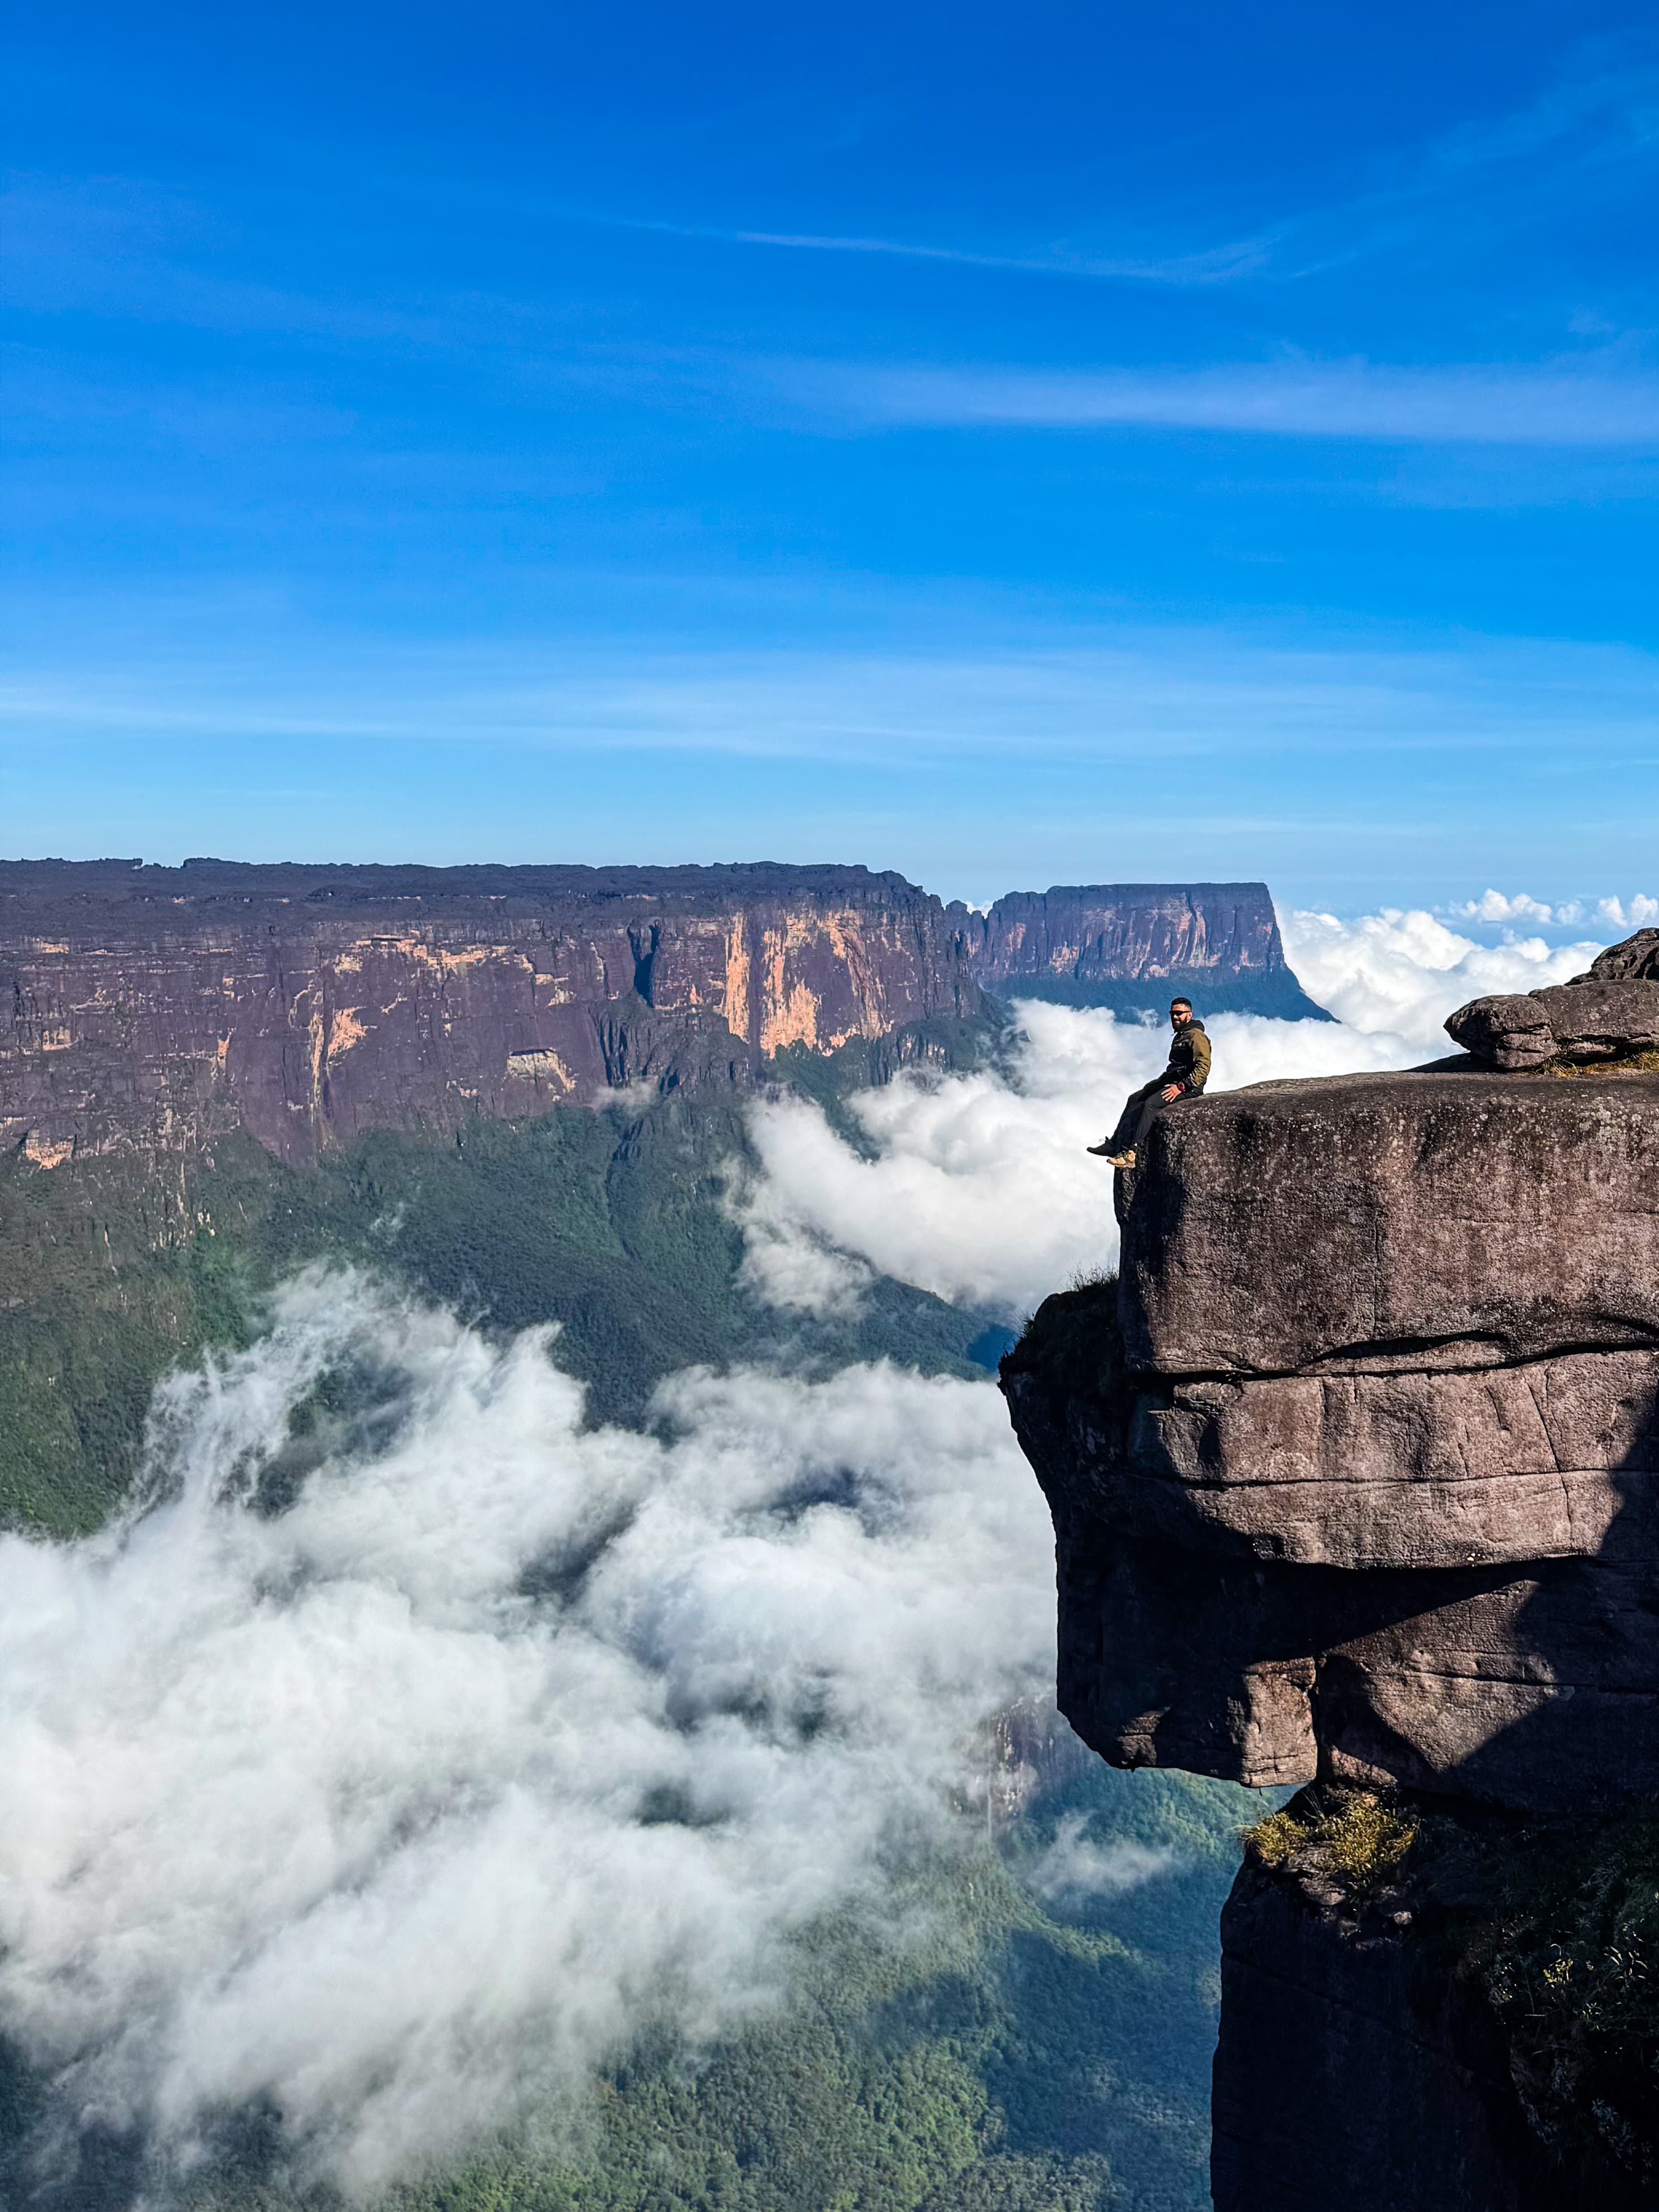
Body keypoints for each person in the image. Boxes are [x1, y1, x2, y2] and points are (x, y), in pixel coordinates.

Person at [1087, 998, 1210, 1167]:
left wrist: (1181, 1087)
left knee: (1150, 1105)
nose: (1175, 1017)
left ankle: (1131, 1153)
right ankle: (1115, 1144)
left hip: (1188, 1087)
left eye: (1179, 1013)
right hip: (1172, 1080)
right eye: (1173, 1013)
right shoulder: (1183, 1034)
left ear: (1189, 1015)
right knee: (1135, 1098)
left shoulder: (1196, 1036)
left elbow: (1204, 1066)